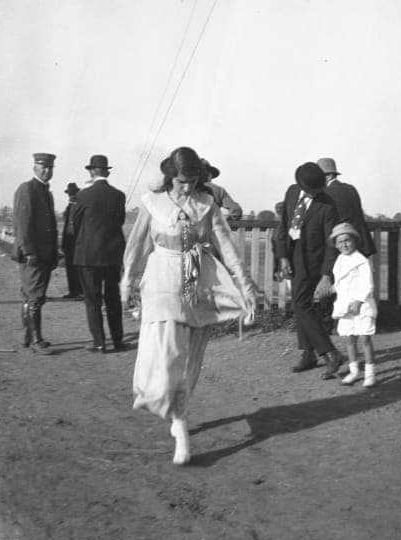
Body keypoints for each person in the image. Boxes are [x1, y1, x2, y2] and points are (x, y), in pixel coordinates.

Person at [121, 147, 256, 465]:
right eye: (182, 181)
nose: (187, 187)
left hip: (199, 284)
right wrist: (127, 281)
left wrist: (246, 286)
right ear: (170, 176)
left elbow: (227, 247)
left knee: (190, 360)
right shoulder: (152, 202)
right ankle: (166, 407)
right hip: (161, 280)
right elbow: (137, 243)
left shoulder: (206, 204)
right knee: (167, 355)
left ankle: (179, 421)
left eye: (193, 181)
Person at [275, 162, 343, 378]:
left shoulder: (328, 205)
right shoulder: (292, 191)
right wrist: (282, 256)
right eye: (311, 189)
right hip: (292, 255)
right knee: (299, 303)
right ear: (301, 185)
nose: (316, 192)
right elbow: (284, 226)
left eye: (318, 189)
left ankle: (330, 353)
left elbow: (331, 243)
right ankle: (308, 354)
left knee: (301, 304)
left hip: (312, 261)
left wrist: (325, 275)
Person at [72, 155, 126, 353]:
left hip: (88, 255)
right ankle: (118, 340)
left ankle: (100, 342)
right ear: (107, 172)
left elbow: (75, 224)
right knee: (113, 297)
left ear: (91, 171)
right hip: (112, 255)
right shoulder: (119, 196)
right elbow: (119, 221)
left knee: (92, 299)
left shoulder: (82, 196)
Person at [11, 152, 58, 355]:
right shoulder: (27, 189)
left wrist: (54, 253)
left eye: (50, 168)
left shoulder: (46, 192)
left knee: (31, 296)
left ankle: (27, 337)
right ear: (34, 168)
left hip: (44, 255)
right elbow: (23, 224)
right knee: (35, 297)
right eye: (43, 167)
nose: (47, 171)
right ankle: (36, 340)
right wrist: (29, 251)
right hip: (33, 255)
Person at [329, 222, 378, 387]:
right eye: (340, 242)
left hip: (362, 304)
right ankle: (354, 370)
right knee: (349, 339)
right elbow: (340, 282)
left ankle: (370, 374)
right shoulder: (339, 260)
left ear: (355, 241)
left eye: (347, 240)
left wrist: (358, 301)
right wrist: (331, 289)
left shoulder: (361, 260)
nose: (344, 244)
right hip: (345, 305)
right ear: (336, 245)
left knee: (365, 339)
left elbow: (368, 284)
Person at [317, 158, 376, 258]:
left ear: (328, 176)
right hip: (361, 243)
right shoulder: (350, 188)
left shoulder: (326, 193)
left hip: (342, 245)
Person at [61, 182, 83, 299]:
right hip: (69, 242)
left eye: (73, 194)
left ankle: (80, 291)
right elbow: (65, 226)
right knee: (69, 267)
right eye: (69, 194)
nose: (71, 196)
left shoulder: (80, 206)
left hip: (78, 242)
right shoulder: (68, 208)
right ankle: (73, 291)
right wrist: (63, 243)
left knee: (78, 267)